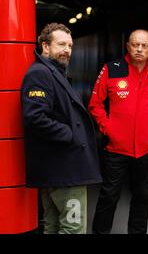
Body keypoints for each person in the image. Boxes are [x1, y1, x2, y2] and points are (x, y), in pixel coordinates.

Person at [89, 29, 148, 234]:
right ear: (127, 46)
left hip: (146, 150)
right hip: (115, 149)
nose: (139, 49)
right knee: (109, 196)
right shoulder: (112, 69)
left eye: (144, 46)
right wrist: (109, 129)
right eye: (135, 44)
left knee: (142, 197)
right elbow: (95, 105)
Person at [21, 23, 102, 234]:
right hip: (64, 169)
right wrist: (70, 134)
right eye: (61, 44)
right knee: (72, 228)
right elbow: (35, 117)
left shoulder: (52, 71)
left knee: (53, 225)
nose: (67, 50)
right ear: (45, 46)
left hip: (58, 169)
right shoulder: (40, 73)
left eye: (70, 45)